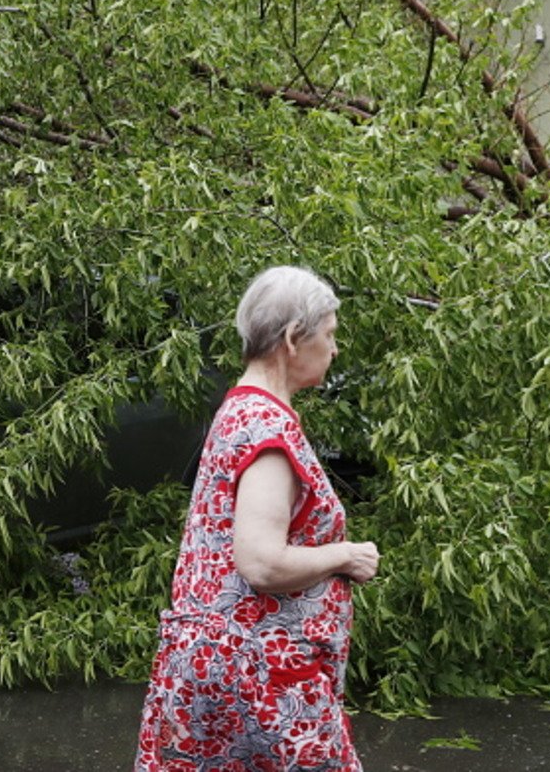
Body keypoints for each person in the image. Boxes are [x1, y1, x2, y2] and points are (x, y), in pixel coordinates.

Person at [135, 266, 380, 771]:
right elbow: (261, 564)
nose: (335, 350)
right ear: (293, 338)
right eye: (330, 335)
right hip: (261, 679)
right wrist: (344, 555)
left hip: (222, 665)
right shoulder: (267, 430)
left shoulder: (240, 410)